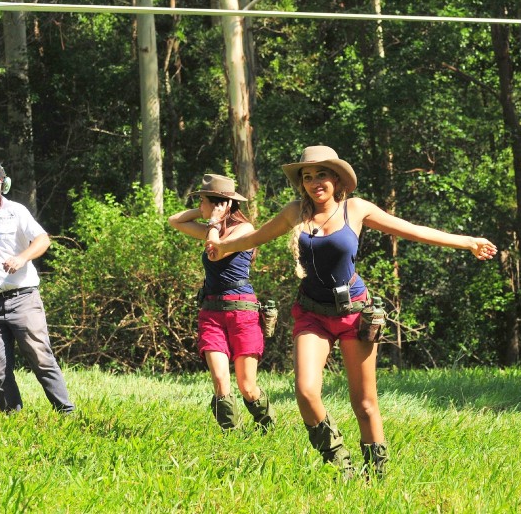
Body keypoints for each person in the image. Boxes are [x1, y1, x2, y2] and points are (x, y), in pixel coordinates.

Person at [206, 146, 497, 478]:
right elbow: (257, 237)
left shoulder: (355, 209)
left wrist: (468, 241)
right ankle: (340, 464)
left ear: (337, 178)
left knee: (365, 404)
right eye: (308, 176)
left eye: (322, 174)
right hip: (312, 313)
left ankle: (377, 475)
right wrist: (224, 247)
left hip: (353, 313)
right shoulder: (294, 213)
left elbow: (413, 230)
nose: (315, 181)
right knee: (305, 391)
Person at [168, 174, 275, 431]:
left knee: (247, 387)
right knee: (220, 380)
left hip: (242, 311)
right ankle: (231, 435)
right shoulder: (211, 230)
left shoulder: (244, 230)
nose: (200, 208)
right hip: (212, 312)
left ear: (218, 205)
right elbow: (175, 220)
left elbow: (215, 252)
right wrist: (209, 210)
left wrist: (214, 217)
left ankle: (267, 426)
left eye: (202, 201)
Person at [0, 161, 75, 414]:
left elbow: (42, 239)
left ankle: (66, 412)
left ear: (3, 185)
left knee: (41, 358)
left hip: (23, 298)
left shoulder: (16, 211)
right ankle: (12, 418)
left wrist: (22, 258)